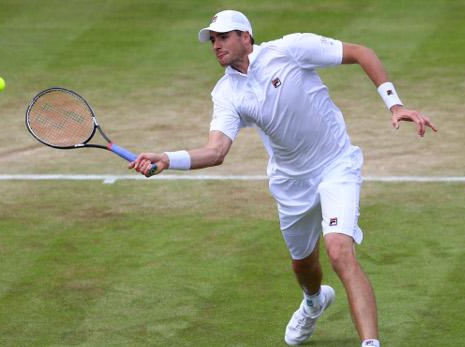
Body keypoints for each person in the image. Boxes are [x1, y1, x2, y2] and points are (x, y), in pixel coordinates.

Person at [131, 9, 437, 347]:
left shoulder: (291, 49)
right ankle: (313, 301)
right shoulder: (226, 93)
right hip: (291, 183)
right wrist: (167, 159)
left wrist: (395, 106)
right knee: (303, 266)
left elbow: (361, 53)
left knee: (339, 250)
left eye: (223, 37)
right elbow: (216, 151)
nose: (216, 45)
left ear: (245, 37)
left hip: (336, 164)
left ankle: (371, 343)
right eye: (213, 40)